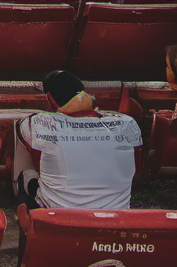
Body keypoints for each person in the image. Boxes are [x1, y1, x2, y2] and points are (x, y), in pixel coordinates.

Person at [16, 70, 142, 211]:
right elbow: (135, 165)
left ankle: (23, 223)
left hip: (58, 215)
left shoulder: (36, 123)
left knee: (25, 175)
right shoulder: (126, 123)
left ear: (49, 98)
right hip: (116, 215)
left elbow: (35, 155)